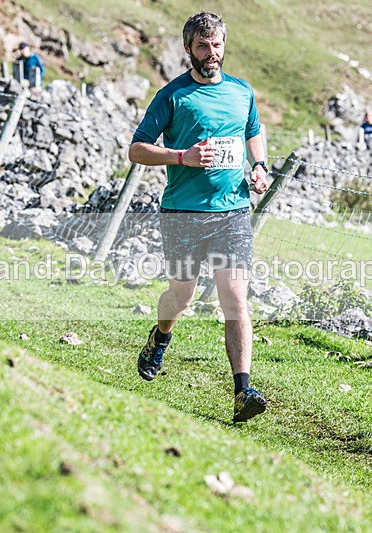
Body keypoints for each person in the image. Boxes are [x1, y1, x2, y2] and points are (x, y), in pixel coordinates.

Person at [128, 11, 269, 423]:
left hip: (232, 213)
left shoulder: (242, 92)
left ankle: (243, 390)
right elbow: (137, 149)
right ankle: (160, 335)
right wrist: (181, 157)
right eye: (204, 46)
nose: (212, 53)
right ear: (189, 48)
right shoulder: (173, 96)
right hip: (182, 214)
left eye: (218, 45)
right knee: (182, 297)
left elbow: (252, 130)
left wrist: (259, 166)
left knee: (235, 298)